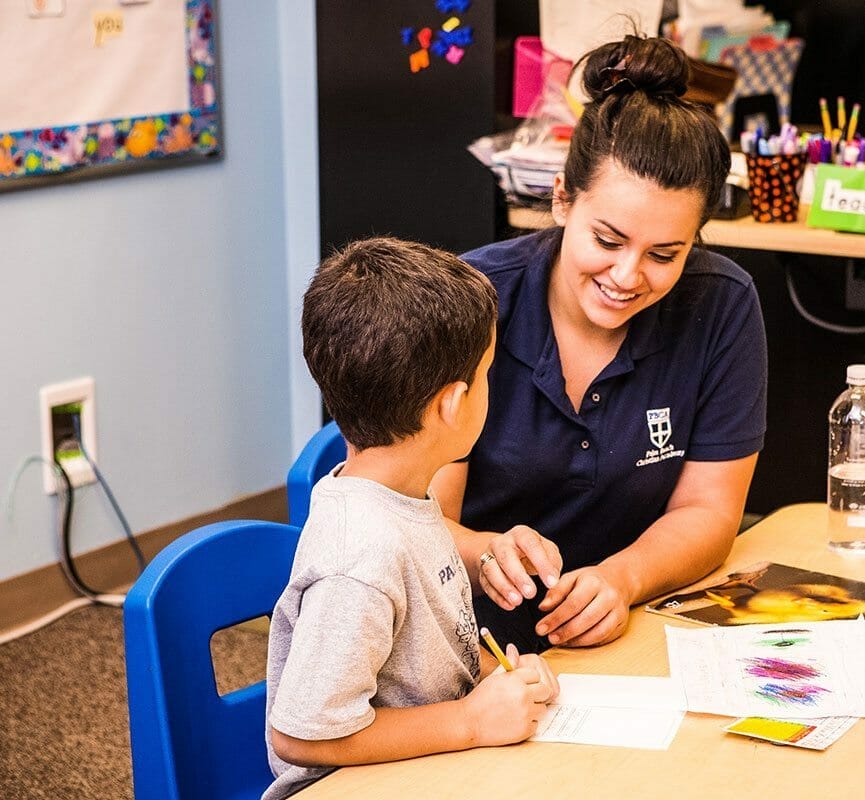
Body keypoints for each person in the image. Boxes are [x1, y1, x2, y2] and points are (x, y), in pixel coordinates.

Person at [433, 34, 768, 653]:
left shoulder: (721, 304)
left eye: (665, 254)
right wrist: (487, 553)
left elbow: (709, 512)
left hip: (631, 631)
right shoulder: (470, 300)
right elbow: (415, 520)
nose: (627, 277)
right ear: (562, 199)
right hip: (468, 650)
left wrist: (624, 578)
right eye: (608, 241)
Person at [263, 238, 559, 800]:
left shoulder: (402, 499)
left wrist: (490, 689)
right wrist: (470, 721)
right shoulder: (361, 558)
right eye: (489, 373)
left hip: (429, 768)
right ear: (451, 404)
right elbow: (300, 734)